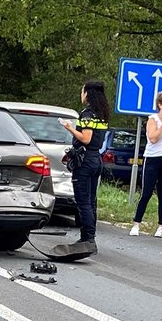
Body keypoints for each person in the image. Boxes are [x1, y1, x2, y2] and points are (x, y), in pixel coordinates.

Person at [59, 80, 111, 245]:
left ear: (87, 94)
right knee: (91, 200)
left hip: (85, 160)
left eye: (82, 92)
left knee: (83, 202)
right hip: (96, 159)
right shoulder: (101, 114)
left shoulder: (88, 114)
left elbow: (86, 138)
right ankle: (91, 236)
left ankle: (86, 238)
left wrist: (70, 128)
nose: (81, 95)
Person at [130, 90, 162, 237]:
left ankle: (161, 226)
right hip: (153, 159)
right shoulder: (153, 119)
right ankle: (136, 224)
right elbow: (152, 138)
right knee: (146, 192)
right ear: (160, 105)